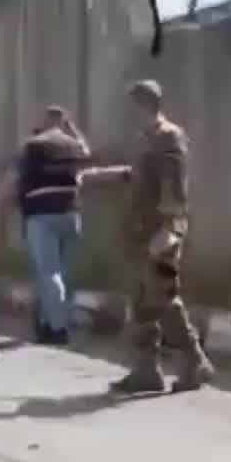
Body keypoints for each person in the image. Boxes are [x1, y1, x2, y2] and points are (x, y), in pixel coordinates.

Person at [78, 80, 215, 393]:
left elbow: (174, 186)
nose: (129, 113)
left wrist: (168, 231)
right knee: (142, 302)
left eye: (133, 106)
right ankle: (145, 372)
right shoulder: (146, 139)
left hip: (162, 232)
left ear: (144, 105)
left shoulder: (169, 137)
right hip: (142, 231)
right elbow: (138, 175)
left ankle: (195, 362)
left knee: (164, 299)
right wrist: (101, 177)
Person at [0, 106, 91, 345]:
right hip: (70, 213)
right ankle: (50, 322)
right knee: (64, 274)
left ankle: (57, 329)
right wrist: (73, 129)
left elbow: (12, 179)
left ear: (44, 121)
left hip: (41, 214)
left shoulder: (33, 146)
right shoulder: (73, 145)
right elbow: (87, 154)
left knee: (49, 272)